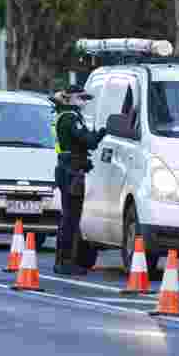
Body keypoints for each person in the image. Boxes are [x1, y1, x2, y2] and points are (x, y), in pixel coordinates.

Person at [50, 85, 106, 275]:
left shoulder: (64, 115)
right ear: (70, 98)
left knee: (68, 217)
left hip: (68, 168)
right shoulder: (70, 117)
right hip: (71, 171)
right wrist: (102, 133)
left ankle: (63, 260)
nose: (84, 101)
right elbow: (87, 141)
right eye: (81, 98)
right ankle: (65, 262)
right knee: (71, 219)